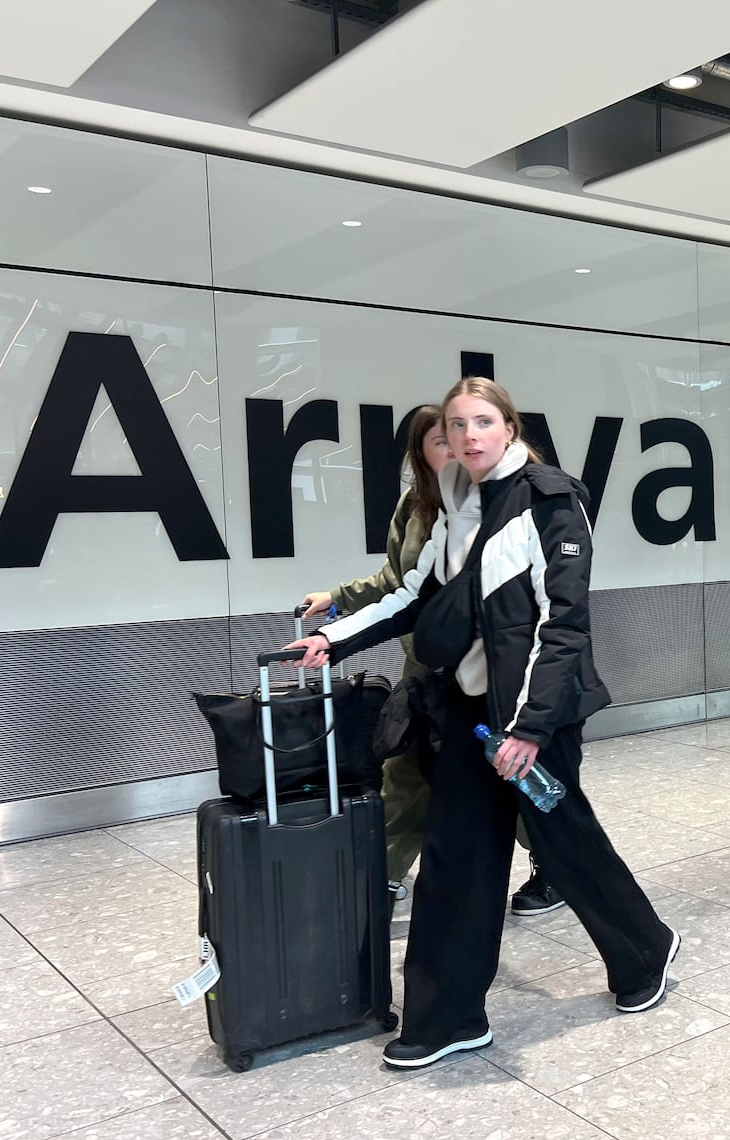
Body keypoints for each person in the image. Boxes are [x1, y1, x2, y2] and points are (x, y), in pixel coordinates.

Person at [283, 377, 678, 1070]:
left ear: (509, 427)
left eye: (482, 422)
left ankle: (645, 950)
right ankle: (447, 1018)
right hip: (469, 717)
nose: (468, 436)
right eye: (458, 424)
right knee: (457, 859)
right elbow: (414, 595)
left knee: (563, 845)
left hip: (535, 717)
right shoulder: (457, 506)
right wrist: (335, 639)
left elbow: (564, 626)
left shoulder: (550, 501)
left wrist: (527, 730)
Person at [298, 405, 447, 897]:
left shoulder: (488, 505)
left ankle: (554, 866)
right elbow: (396, 582)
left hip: (483, 669)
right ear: (420, 453)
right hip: (423, 662)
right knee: (403, 767)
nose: (456, 447)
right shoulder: (415, 505)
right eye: (440, 441)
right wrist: (337, 598)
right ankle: (381, 874)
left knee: (505, 774)